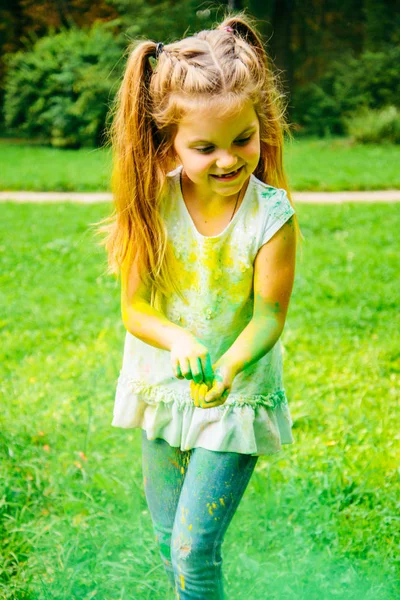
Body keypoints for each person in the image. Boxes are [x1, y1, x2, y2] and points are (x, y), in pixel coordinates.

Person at [96, 10, 303, 600]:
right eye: (205, 147)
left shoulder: (272, 218)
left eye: (243, 139)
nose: (230, 160)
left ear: (260, 122)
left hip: (233, 394)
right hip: (161, 383)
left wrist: (228, 366)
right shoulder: (151, 206)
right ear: (171, 142)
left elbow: (269, 316)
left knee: (193, 548)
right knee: (168, 542)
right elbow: (134, 309)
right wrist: (180, 343)